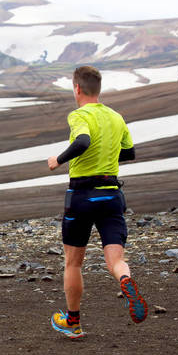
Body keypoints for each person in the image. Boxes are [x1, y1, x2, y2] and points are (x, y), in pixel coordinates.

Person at [47, 66, 147, 338]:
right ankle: (125, 281)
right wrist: (108, 156)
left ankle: (73, 322)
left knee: (73, 263)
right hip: (112, 195)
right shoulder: (116, 117)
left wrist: (58, 159)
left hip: (82, 196)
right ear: (98, 89)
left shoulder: (79, 114)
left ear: (77, 88)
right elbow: (130, 152)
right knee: (116, 259)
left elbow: (82, 141)